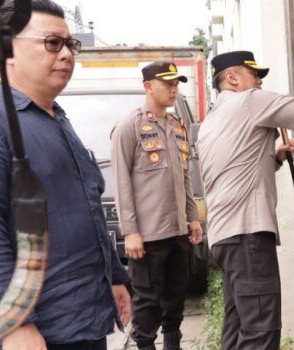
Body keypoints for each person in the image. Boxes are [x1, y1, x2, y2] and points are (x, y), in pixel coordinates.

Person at [0, 1, 131, 349]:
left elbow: (87, 206)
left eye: (71, 44)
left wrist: (115, 277)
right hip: (38, 332)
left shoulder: (55, 118)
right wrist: (13, 323)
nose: (67, 54)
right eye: (52, 43)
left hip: (82, 322)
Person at [197, 50, 294, 350]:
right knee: (261, 332)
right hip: (247, 239)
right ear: (231, 78)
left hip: (225, 239)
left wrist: (276, 157)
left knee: (238, 328)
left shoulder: (212, 120)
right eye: (255, 75)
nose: (259, 83)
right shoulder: (249, 101)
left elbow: (235, 167)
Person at [110, 61, 203, 350]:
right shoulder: (130, 126)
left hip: (177, 231)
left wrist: (193, 217)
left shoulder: (178, 127)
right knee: (148, 300)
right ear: (148, 86)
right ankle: (146, 345)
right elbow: (121, 182)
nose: (174, 89)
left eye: (177, 84)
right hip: (148, 235)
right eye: (168, 84)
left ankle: (173, 344)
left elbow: (185, 177)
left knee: (175, 296)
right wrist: (131, 231)